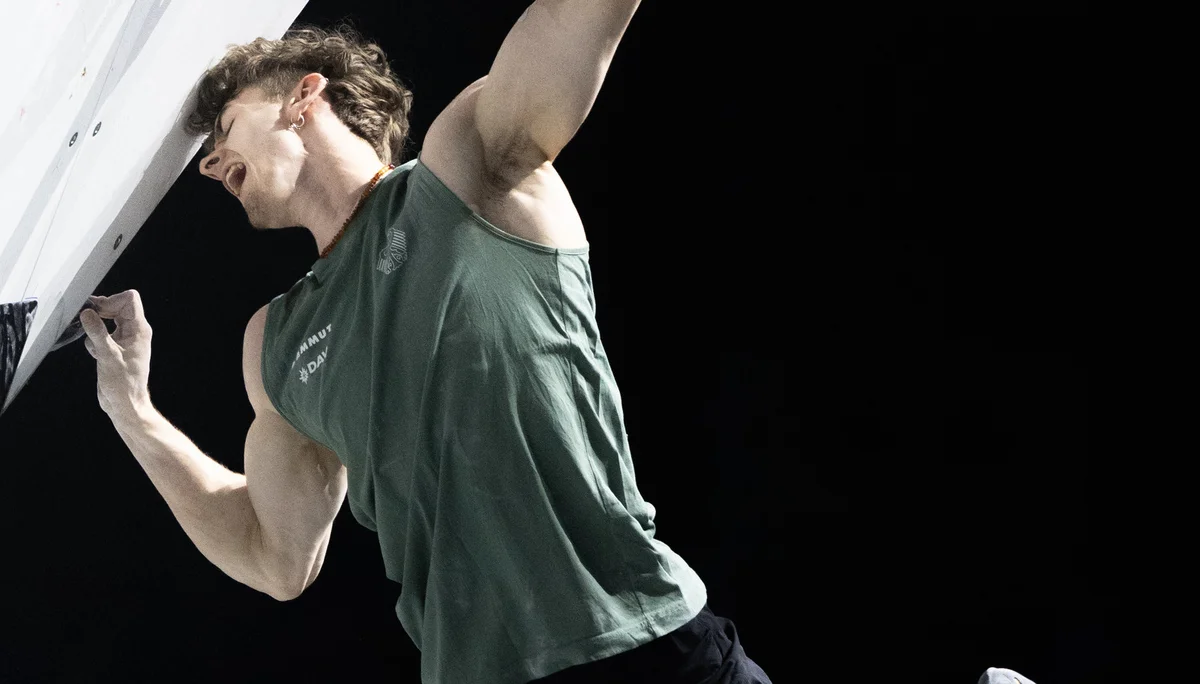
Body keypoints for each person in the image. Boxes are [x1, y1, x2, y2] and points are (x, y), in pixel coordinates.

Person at [79, 3, 771, 683]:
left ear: (303, 94)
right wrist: (132, 412)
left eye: (226, 127)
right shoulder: (276, 343)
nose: (209, 164)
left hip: (651, 644)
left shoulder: (469, 168)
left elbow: (574, 18)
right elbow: (275, 559)